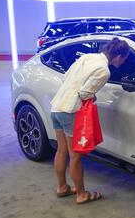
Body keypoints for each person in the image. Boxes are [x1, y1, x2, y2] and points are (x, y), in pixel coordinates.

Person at [50, 37, 130, 204]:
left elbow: (66, 76)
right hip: (70, 111)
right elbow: (84, 94)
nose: (123, 64)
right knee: (75, 156)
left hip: (57, 107)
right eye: (124, 60)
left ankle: (62, 187)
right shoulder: (104, 71)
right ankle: (81, 194)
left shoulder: (88, 57)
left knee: (61, 151)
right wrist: (93, 97)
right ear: (118, 56)